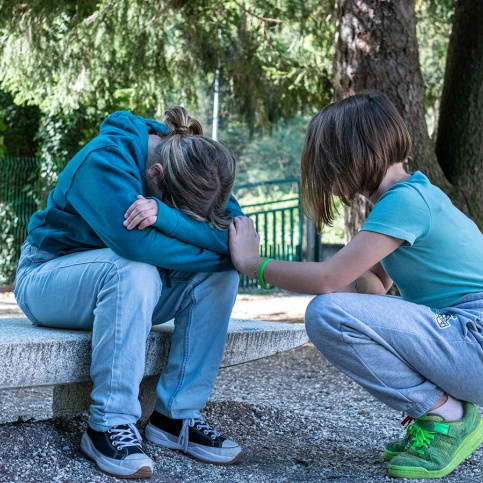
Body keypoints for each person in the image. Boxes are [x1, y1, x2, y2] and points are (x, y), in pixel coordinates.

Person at [229, 91, 483, 479]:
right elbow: (374, 295)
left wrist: (252, 263)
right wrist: (355, 264)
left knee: (324, 312)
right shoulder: (413, 196)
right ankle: (440, 415)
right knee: (336, 308)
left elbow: (328, 280)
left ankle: (447, 416)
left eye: (325, 165)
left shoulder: (405, 203)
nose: (325, 179)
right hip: (465, 338)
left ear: (350, 156)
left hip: (473, 336)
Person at [14, 106, 243, 479]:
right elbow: (135, 246)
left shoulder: (199, 164)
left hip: (130, 285)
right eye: (173, 209)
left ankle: (175, 419)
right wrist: (229, 253)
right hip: (48, 278)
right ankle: (107, 423)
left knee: (219, 277)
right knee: (134, 269)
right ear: (155, 176)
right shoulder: (103, 159)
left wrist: (168, 217)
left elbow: (235, 228)